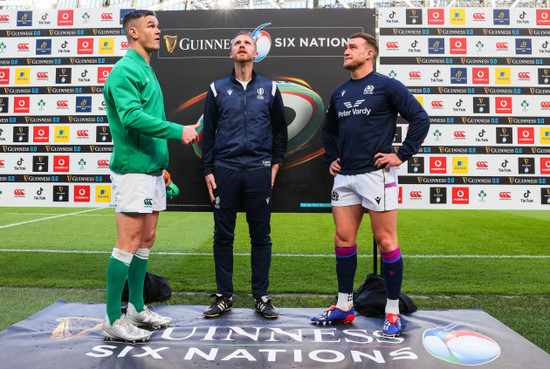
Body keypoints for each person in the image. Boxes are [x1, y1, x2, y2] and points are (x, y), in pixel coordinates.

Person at [311, 33, 430, 336]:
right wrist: (332, 159)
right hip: (346, 176)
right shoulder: (339, 92)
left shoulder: (386, 85)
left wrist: (401, 154)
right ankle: (344, 305)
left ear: (370, 53)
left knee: (386, 241)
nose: (346, 50)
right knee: (343, 239)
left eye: (352, 47)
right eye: (346, 46)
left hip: (376, 175)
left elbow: (419, 118)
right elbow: (329, 131)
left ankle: (391, 311)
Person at [102, 9, 199, 342]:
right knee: (127, 243)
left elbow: (148, 124)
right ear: (133, 33)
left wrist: (164, 172)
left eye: (158, 25)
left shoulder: (145, 69)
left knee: (145, 241)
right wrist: (178, 130)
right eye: (151, 25)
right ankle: (113, 319)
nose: (159, 30)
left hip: (153, 171)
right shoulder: (124, 70)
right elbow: (130, 117)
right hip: (133, 171)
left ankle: (136, 308)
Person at [201, 31, 287, 319]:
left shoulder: (270, 88)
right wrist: (207, 170)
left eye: (247, 43)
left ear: (255, 52)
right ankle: (224, 296)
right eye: (237, 43)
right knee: (223, 236)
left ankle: (261, 296)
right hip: (225, 169)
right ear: (231, 54)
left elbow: (280, 131)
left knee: (260, 237)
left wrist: (274, 164)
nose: (241, 46)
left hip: (259, 171)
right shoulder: (216, 88)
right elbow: (208, 133)